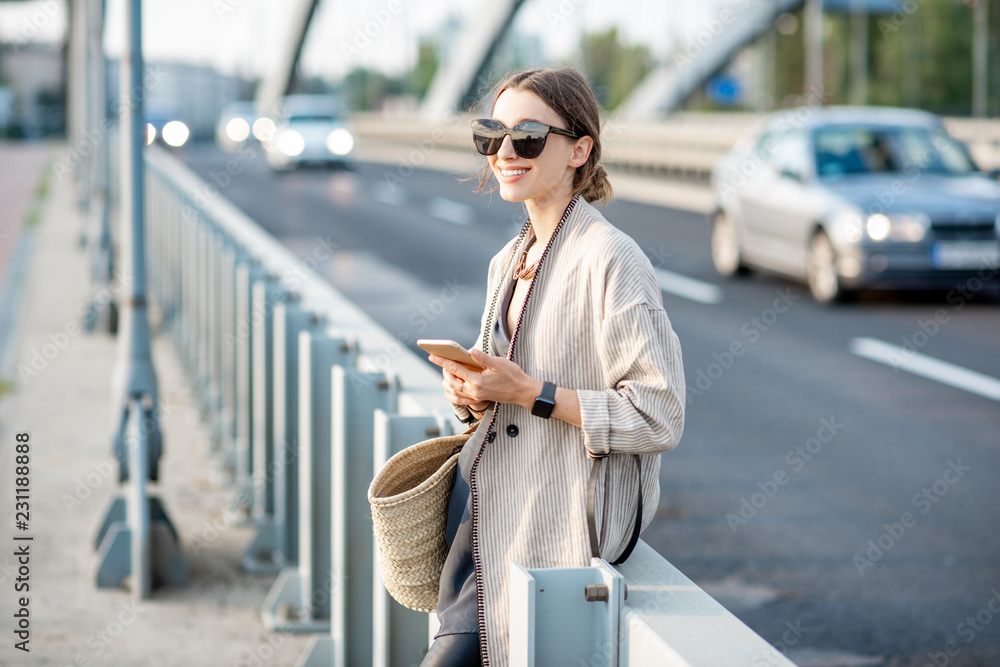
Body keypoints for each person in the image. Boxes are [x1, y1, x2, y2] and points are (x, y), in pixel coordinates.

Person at [423, 67, 686, 667]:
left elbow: (658, 418)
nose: (506, 152)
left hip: (554, 530)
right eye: (492, 134)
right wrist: (471, 391)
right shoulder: (508, 259)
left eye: (529, 136)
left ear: (580, 149)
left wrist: (530, 392)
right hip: (485, 518)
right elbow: (507, 392)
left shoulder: (612, 260)